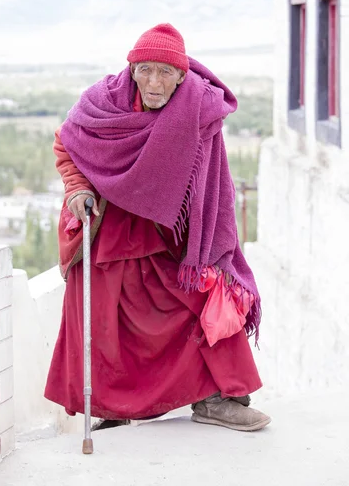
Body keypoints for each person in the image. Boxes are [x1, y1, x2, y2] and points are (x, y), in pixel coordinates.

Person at [45, 23, 271, 432]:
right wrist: (77, 189)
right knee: (105, 325)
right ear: (131, 69)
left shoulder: (198, 108)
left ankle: (218, 397)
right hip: (110, 228)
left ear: (182, 76)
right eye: (145, 69)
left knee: (195, 303)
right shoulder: (101, 103)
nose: (154, 81)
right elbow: (67, 145)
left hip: (168, 232)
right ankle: (112, 411)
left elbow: (209, 176)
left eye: (165, 72)